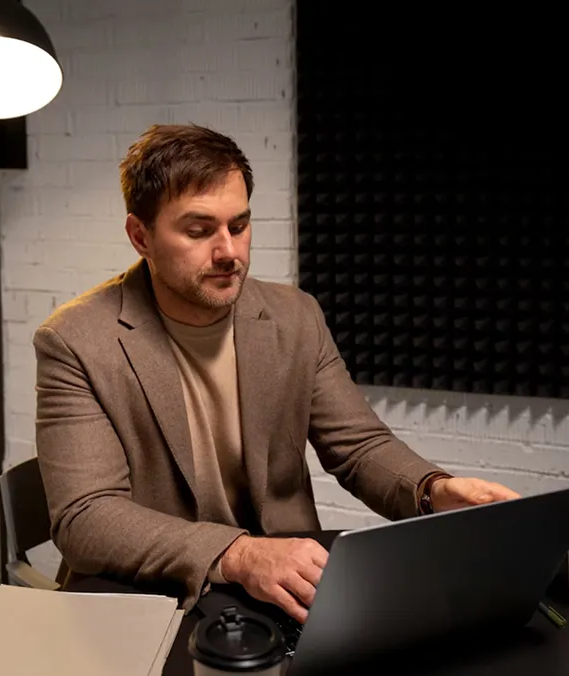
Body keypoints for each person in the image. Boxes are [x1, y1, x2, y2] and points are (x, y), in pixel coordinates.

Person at [33, 124, 520, 623]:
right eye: (199, 231)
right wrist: (240, 554)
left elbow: (358, 446)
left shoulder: (295, 315)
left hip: (279, 588)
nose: (228, 252)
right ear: (141, 236)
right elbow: (85, 516)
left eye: (239, 226)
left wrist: (433, 490)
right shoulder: (74, 340)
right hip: (148, 600)